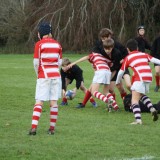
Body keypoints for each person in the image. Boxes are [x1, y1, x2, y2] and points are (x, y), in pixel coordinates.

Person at [66, 38, 119, 111]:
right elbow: (110, 64)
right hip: (108, 72)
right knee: (106, 92)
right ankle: (115, 106)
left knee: (94, 92)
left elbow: (85, 57)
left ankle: (107, 101)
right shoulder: (104, 57)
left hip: (100, 72)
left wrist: (73, 63)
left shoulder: (94, 55)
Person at [28, 22, 62, 135]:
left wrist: (38, 74)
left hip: (44, 75)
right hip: (56, 76)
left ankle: (33, 128)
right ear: (50, 33)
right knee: (54, 102)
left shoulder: (39, 44)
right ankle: (52, 129)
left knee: (39, 101)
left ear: (40, 33)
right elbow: (59, 62)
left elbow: (36, 62)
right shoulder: (58, 44)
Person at [116, 39, 160, 124]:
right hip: (148, 77)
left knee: (134, 100)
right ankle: (152, 108)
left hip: (139, 77)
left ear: (128, 49)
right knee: (141, 95)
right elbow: (156, 61)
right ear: (137, 47)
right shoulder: (144, 54)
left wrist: (118, 82)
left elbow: (121, 72)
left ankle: (138, 120)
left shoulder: (128, 57)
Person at [92, 28, 131, 99]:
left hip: (121, 66)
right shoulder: (100, 45)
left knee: (124, 87)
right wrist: (95, 63)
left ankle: (132, 99)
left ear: (110, 36)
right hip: (113, 68)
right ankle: (114, 103)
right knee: (111, 89)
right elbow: (95, 53)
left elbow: (126, 53)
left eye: (107, 37)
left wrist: (124, 59)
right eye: (103, 38)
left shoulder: (117, 45)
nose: (105, 39)